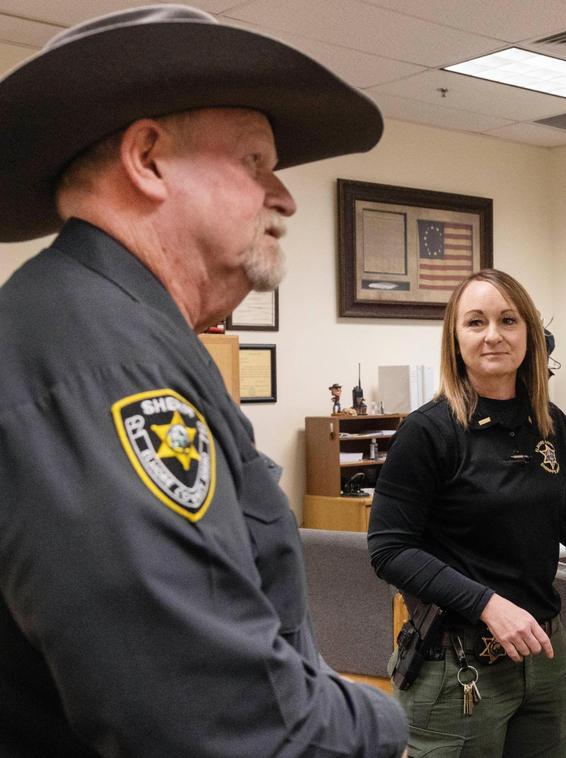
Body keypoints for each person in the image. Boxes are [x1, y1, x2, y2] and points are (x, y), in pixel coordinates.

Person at [0, 6, 407, 756]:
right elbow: (208, 714)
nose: (283, 197)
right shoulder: (104, 361)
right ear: (148, 160)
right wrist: (381, 726)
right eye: (255, 162)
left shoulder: (113, 328)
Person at [368, 269, 566, 757]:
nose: (493, 335)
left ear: (529, 336)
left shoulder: (550, 424)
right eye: (475, 322)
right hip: (459, 667)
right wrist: (487, 604)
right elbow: (390, 550)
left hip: (544, 661)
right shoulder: (428, 432)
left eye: (508, 320)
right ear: (455, 340)